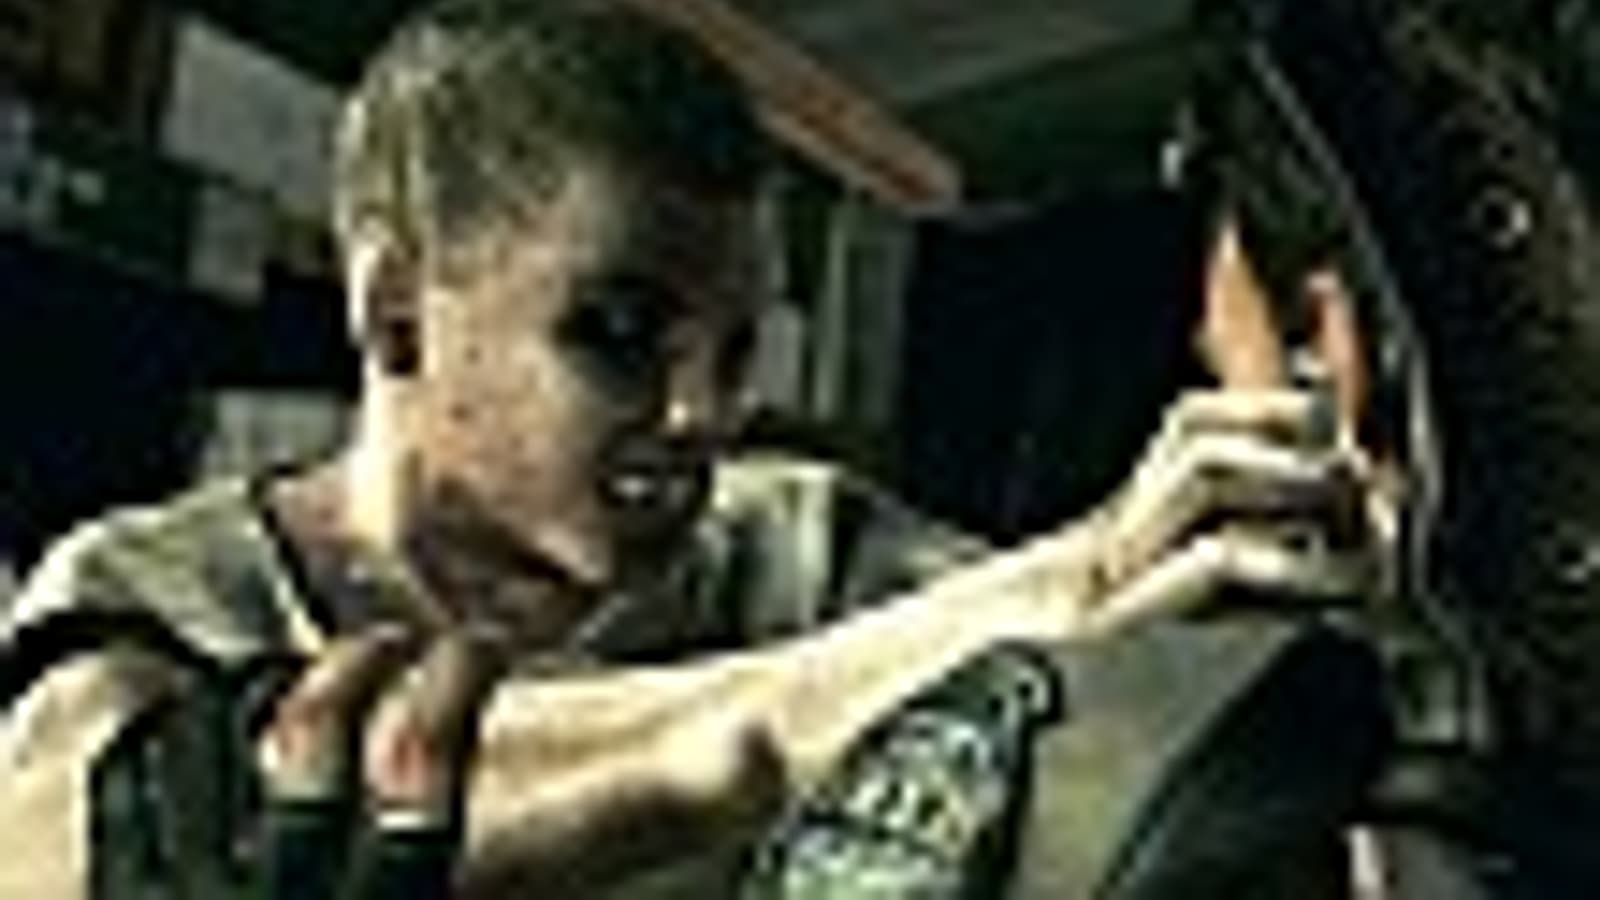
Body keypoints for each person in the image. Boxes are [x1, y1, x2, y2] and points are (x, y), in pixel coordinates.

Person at [0, 1, 1374, 897]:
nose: (701, 414)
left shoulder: (807, 550)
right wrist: (756, 736)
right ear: (397, 315)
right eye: (616, 334)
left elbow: (1122, 677)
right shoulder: (157, 591)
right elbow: (75, 836)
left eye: (732, 353)